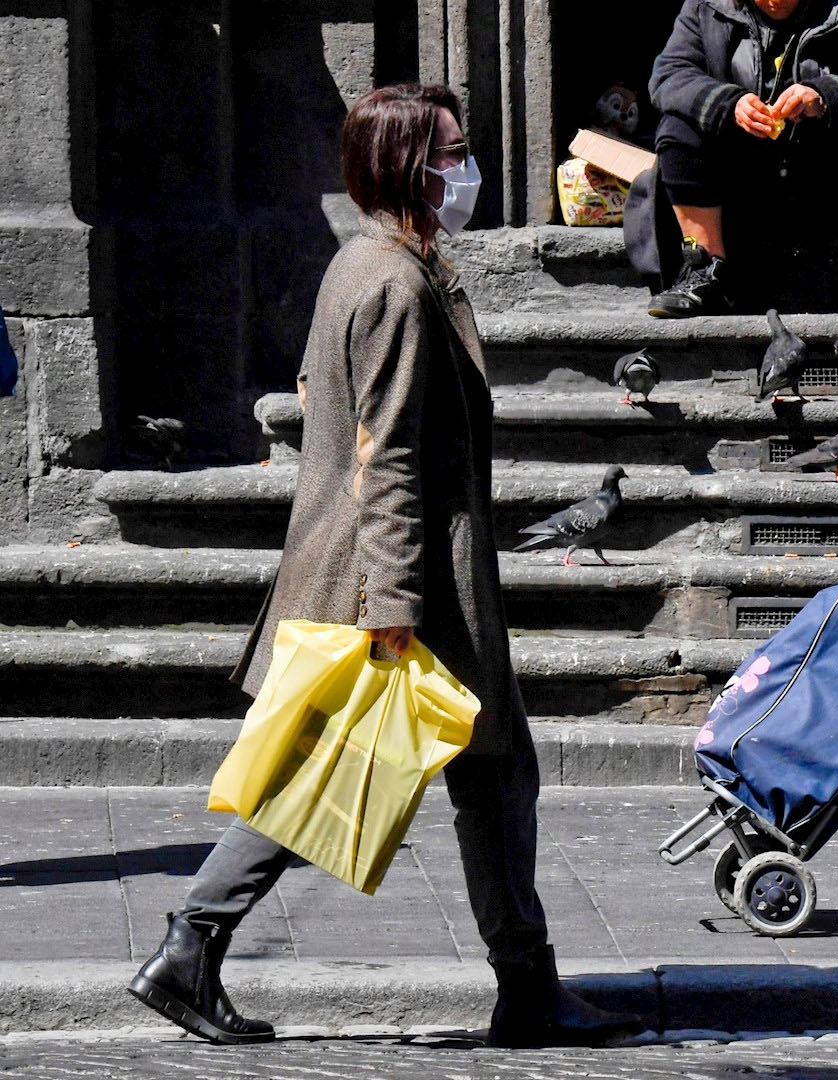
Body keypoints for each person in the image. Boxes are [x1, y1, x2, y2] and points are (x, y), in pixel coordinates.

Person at [126, 84, 648, 1049]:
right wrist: (395, 602)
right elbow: (389, 455)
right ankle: (191, 944)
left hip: (404, 573)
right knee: (338, 771)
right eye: (452, 151)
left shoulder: (370, 263)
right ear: (410, 167)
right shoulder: (396, 284)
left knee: (486, 777)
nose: (466, 168)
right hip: (406, 579)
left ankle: (523, 985)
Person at [640, 0, 838, 317]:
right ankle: (706, 271)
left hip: (826, 177)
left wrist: (824, 95)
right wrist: (728, 104)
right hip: (738, 180)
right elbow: (669, 75)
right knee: (678, 129)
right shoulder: (705, 7)